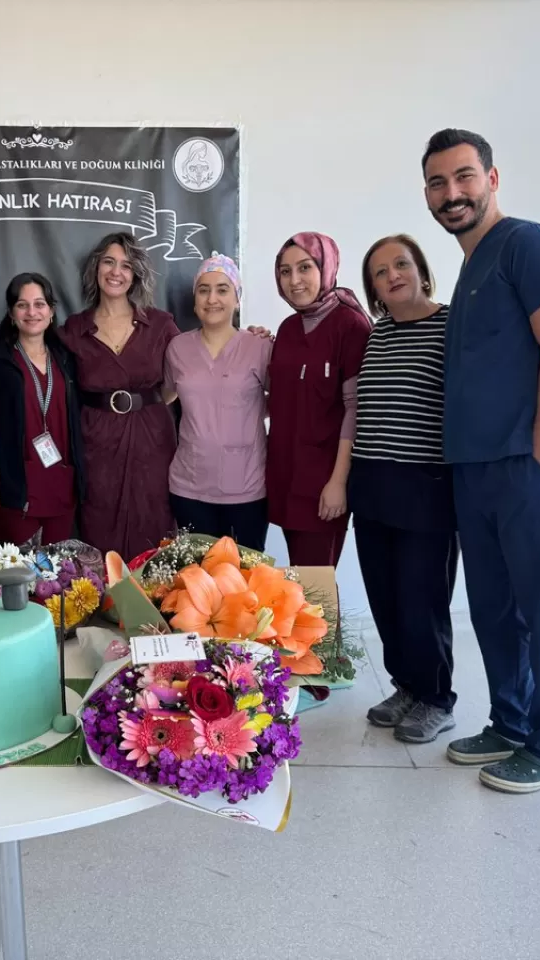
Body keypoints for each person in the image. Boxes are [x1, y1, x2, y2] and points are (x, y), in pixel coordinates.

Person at [422, 128, 540, 794]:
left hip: (524, 462)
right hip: (473, 467)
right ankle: (510, 722)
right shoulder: (471, 266)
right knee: (492, 606)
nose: (451, 192)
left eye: (463, 176)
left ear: (492, 177)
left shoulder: (527, 243)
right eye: (437, 182)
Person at [350, 234, 459, 744]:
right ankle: (405, 688)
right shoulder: (379, 332)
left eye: (401, 264)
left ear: (421, 269)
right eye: (380, 271)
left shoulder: (451, 324)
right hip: (372, 483)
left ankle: (436, 698)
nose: (392, 275)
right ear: (373, 288)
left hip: (425, 485)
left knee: (423, 600)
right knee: (386, 598)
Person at [60, 232, 180, 558]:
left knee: (153, 517)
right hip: (96, 441)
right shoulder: (74, 329)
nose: (116, 272)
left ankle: (152, 603)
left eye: (126, 265)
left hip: (153, 438)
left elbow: (192, 369)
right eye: (109, 262)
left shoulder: (160, 324)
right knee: (98, 520)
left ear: (135, 274)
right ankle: (103, 603)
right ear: (96, 268)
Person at [265, 232, 373, 567]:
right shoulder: (287, 329)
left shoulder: (351, 325)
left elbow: (356, 410)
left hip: (323, 481)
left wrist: (338, 482)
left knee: (317, 587)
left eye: (304, 268)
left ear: (326, 267)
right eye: (285, 271)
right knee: (298, 585)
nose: (294, 280)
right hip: (284, 474)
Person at [163, 254, 272, 550]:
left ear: (237, 299)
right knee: (195, 585)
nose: (212, 299)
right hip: (189, 488)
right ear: (195, 299)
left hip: (247, 491)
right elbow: (165, 397)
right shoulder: (178, 348)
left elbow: (284, 403)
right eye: (204, 290)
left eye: (223, 289)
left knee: (246, 586)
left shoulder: (260, 346)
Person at [0, 272, 84, 546]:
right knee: (17, 579)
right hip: (18, 490)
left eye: (39, 304)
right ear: (11, 313)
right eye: (22, 305)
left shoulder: (66, 360)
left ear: (51, 311)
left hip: (61, 484)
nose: (32, 312)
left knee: (58, 578)